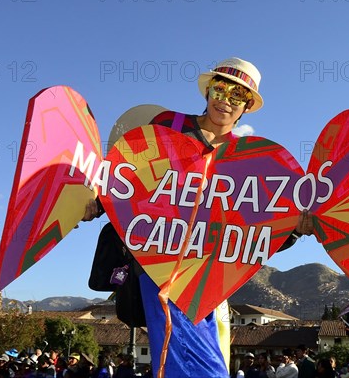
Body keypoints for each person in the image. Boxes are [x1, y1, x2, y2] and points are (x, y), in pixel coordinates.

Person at [83, 57, 314, 377]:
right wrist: (98, 199)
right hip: (160, 269)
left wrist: (295, 229)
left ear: (247, 106)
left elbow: (256, 233)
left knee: (209, 362)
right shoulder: (167, 126)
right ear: (208, 91)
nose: (227, 101)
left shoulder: (247, 161)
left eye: (239, 96)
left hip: (210, 281)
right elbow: (131, 182)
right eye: (221, 89)